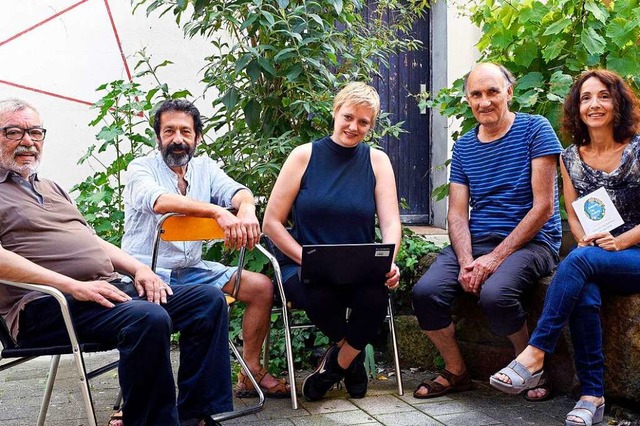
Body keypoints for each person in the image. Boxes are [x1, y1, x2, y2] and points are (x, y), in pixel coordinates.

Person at [0, 98, 231, 426]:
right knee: (146, 317)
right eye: (14, 132)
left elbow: (91, 241)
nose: (28, 141)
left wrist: (140, 269)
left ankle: (194, 416)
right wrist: (72, 286)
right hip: (44, 306)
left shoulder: (50, 187)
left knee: (207, 300)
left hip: (102, 291)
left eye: (35, 132)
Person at [490, 69, 640, 426]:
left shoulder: (638, 149)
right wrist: (585, 235)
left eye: (603, 96)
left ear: (618, 102)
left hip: (633, 252)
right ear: (577, 107)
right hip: (598, 257)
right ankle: (592, 398)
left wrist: (621, 241)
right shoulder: (571, 157)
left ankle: (534, 354)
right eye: (586, 98)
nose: (595, 104)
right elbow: (573, 212)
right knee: (583, 290)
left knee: (578, 260)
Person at [411, 63, 562, 400]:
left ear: (509, 92)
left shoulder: (535, 129)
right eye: (476, 94)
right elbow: (456, 214)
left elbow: (544, 208)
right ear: (467, 99)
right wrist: (467, 261)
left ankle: (531, 368)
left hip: (532, 242)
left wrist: (494, 258)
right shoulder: (464, 146)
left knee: (495, 294)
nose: (484, 101)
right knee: (425, 293)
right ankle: (456, 371)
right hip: (477, 242)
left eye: (492, 91)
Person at [122, 99, 289, 399]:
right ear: (158, 137)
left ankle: (249, 372)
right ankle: (138, 402)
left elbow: (237, 191)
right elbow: (159, 201)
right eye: (169, 131)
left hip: (194, 270)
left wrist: (247, 209)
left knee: (261, 287)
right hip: (148, 272)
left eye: (185, 132)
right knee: (152, 320)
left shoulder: (205, 168)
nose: (177, 139)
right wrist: (216, 212)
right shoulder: (140, 169)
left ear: (198, 137)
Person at [262, 81, 402, 402]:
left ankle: (335, 365)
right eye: (348, 117)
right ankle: (351, 364)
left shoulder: (377, 162)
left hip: (359, 265)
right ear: (335, 111)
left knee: (375, 298)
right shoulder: (304, 156)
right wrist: (303, 257)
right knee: (318, 295)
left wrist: (390, 257)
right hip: (303, 264)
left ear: (371, 124)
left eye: (363, 122)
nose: (354, 127)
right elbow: (271, 222)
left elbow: (391, 221)